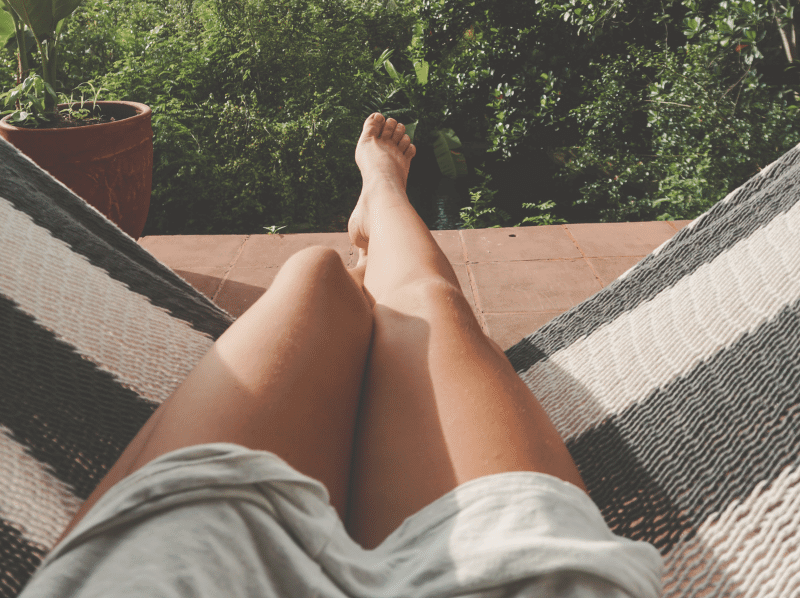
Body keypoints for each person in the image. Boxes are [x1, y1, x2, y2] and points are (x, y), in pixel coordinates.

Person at [23, 114, 662, 597]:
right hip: (513, 576)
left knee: (316, 276)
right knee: (426, 303)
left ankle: (362, 268)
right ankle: (382, 206)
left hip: (185, 570)